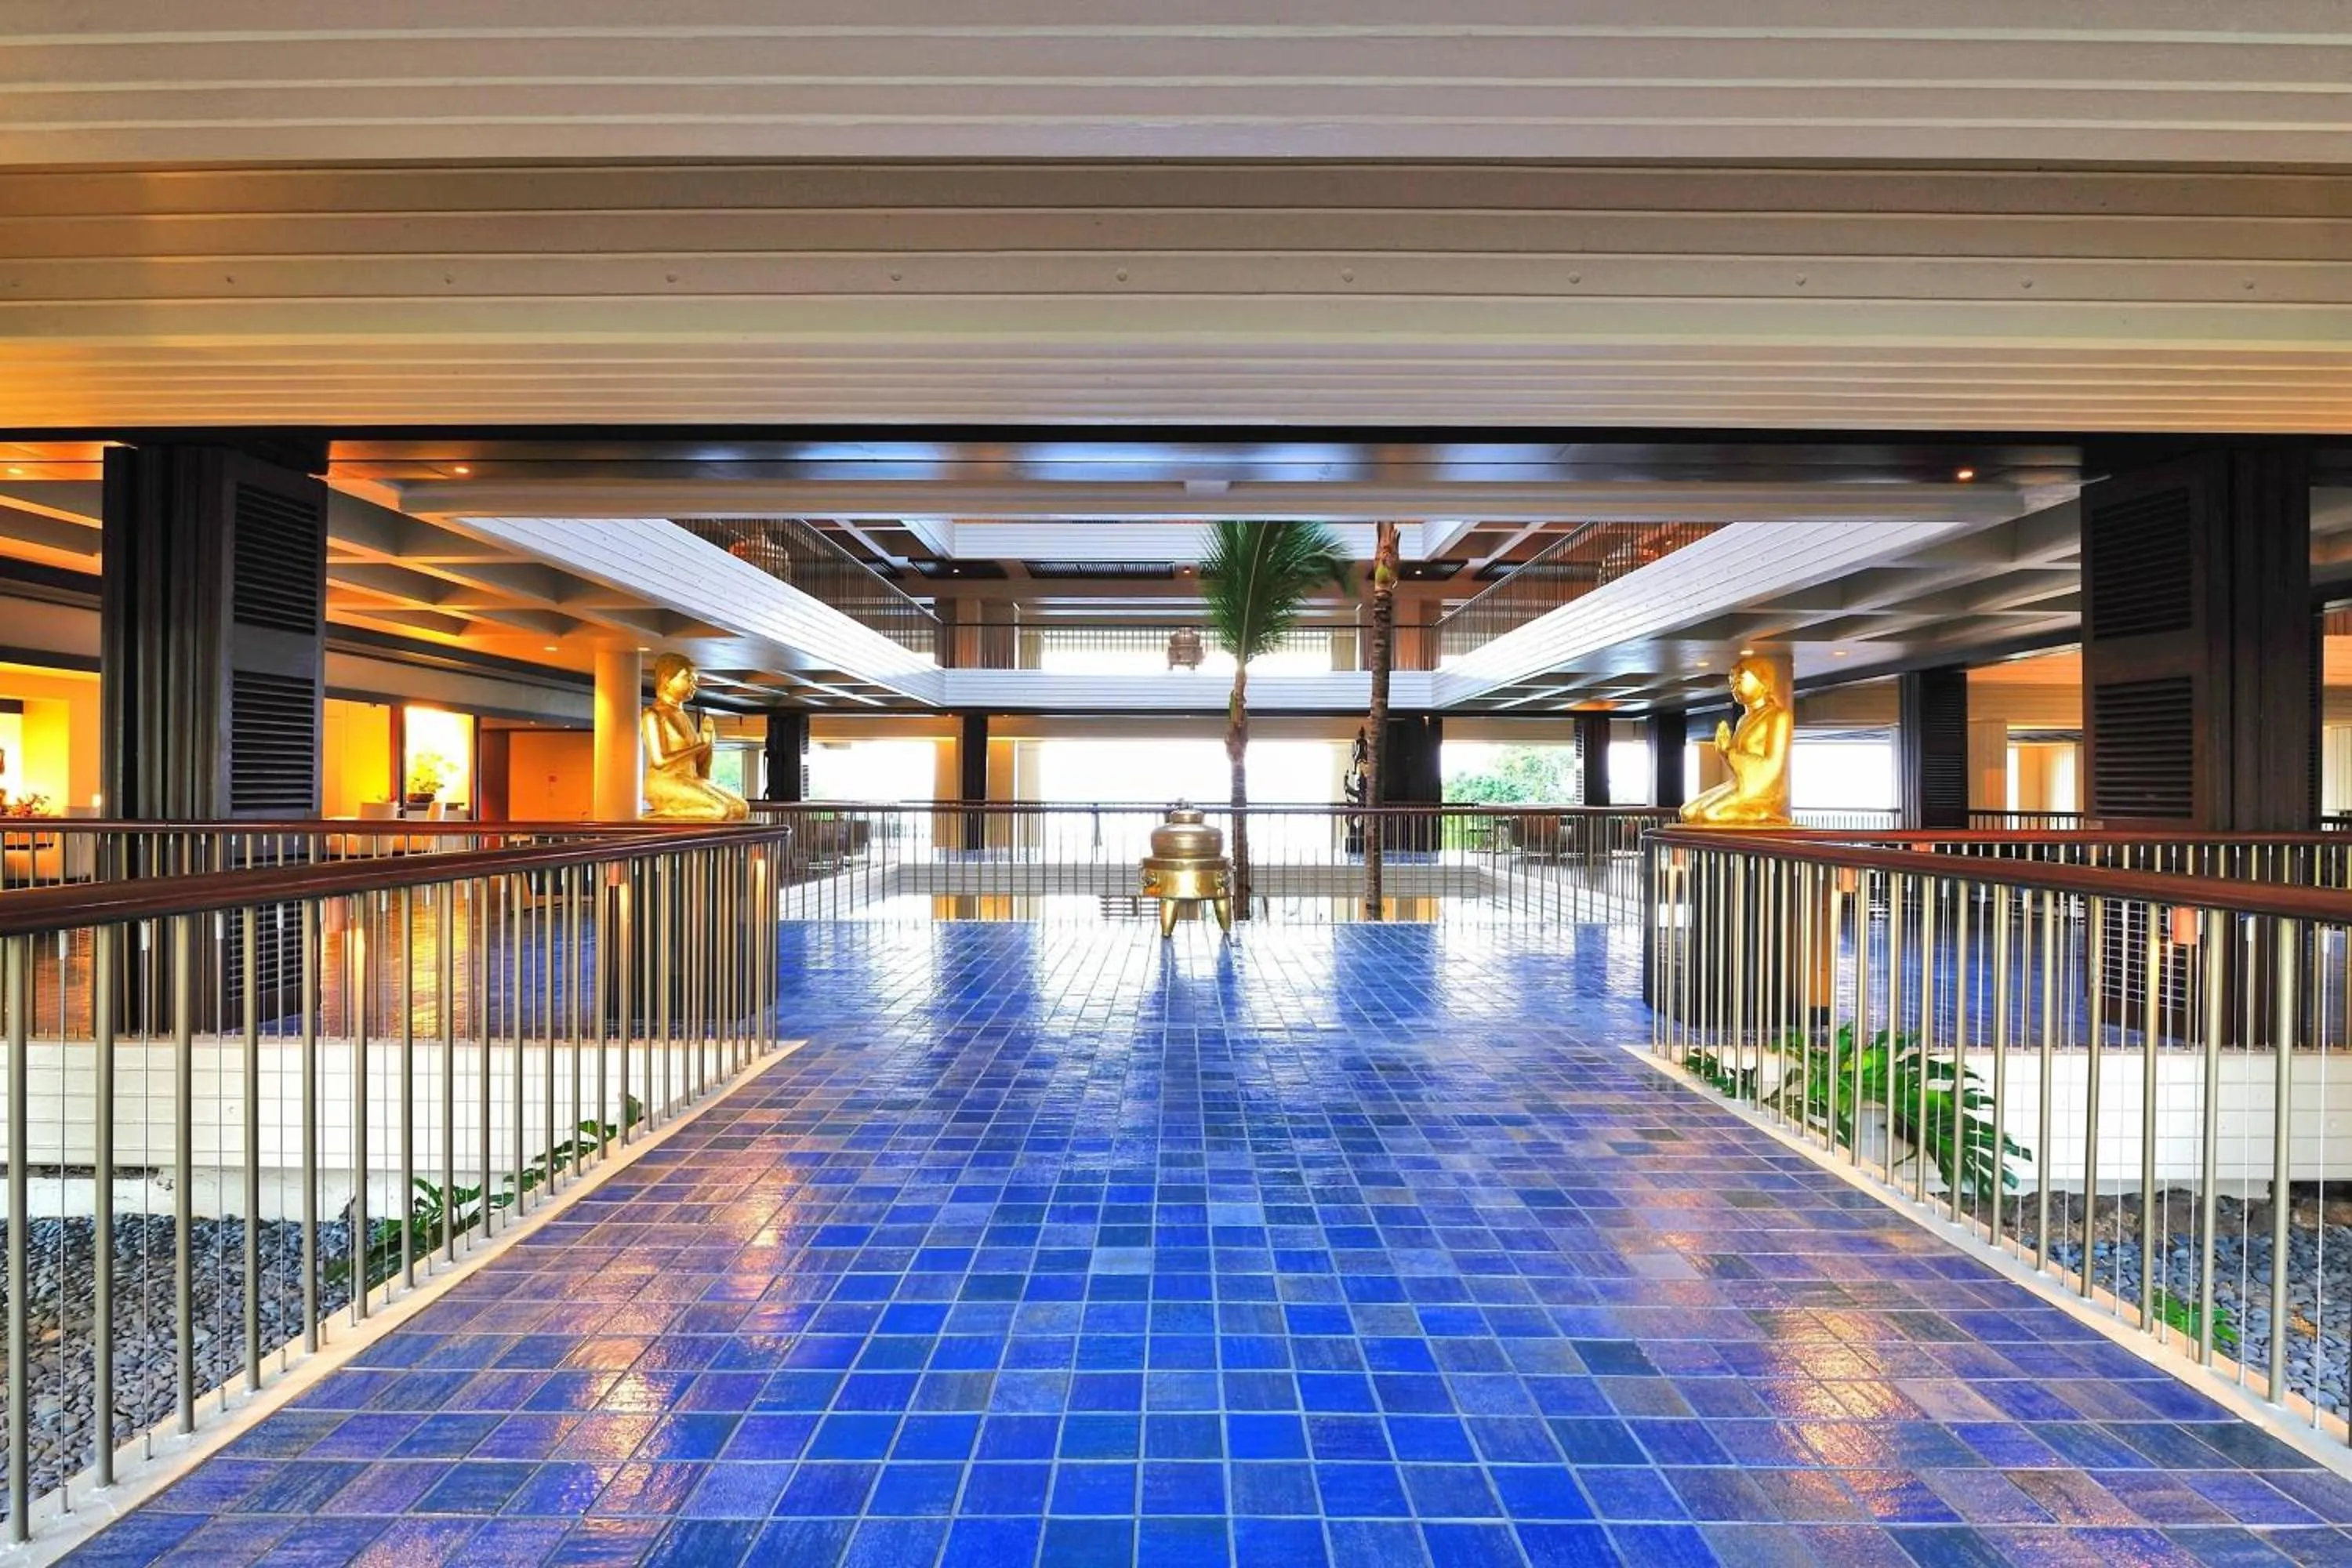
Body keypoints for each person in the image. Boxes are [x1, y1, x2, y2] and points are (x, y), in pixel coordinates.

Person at [1679, 655, 1792, 826]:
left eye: (1741, 678)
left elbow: (1773, 766)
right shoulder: (1743, 720)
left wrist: (1729, 752)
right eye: (1732, 681)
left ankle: (1763, 814)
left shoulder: (1778, 716)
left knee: (1711, 815)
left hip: (1762, 790)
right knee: (1688, 812)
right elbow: (1737, 761)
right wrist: (1725, 752)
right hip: (1742, 783)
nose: (1735, 685)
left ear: (1763, 681)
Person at [641, 652, 749, 820]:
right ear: (666, 679)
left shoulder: (683, 716)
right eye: (688, 679)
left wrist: (708, 745)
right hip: (665, 782)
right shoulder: (652, 714)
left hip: (689, 779)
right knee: (721, 810)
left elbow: (700, 768)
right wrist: (700, 745)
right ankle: (659, 818)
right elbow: (659, 761)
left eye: (695, 681)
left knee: (741, 808)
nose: (694, 685)